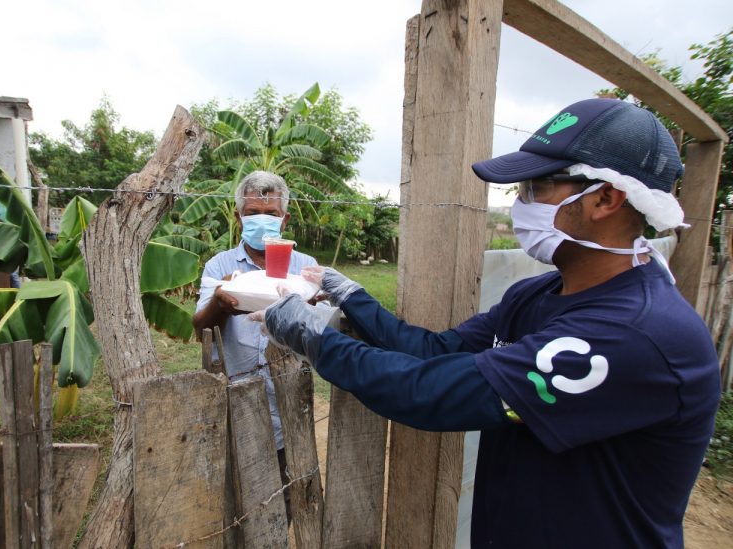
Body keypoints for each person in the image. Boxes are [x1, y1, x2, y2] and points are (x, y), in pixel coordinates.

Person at [256, 98, 721, 547]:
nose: (521, 204)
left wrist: (314, 337)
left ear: (604, 198)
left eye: (535, 188)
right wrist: (353, 297)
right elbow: (435, 352)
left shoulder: (635, 335)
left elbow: (429, 391)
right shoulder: (538, 295)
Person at [193, 170, 318, 519]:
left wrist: (306, 307)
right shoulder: (220, 266)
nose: (261, 222)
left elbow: (323, 330)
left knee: (286, 500)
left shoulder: (305, 267)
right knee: (235, 502)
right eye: (252, 215)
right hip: (235, 402)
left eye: (272, 215)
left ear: (285, 218)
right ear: (238, 217)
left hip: (291, 403)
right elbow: (199, 328)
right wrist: (221, 301)